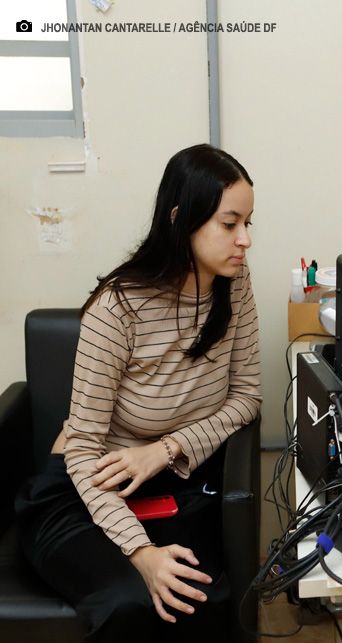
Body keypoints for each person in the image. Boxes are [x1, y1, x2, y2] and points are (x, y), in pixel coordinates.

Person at [15, 144, 261, 641]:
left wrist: (165, 450)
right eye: (229, 224)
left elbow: (247, 397)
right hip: (84, 490)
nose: (245, 241)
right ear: (180, 219)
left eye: (248, 224)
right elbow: (83, 449)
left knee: (201, 595)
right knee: (132, 600)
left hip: (170, 482)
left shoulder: (233, 285)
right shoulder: (118, 308)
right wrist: (140, 553)